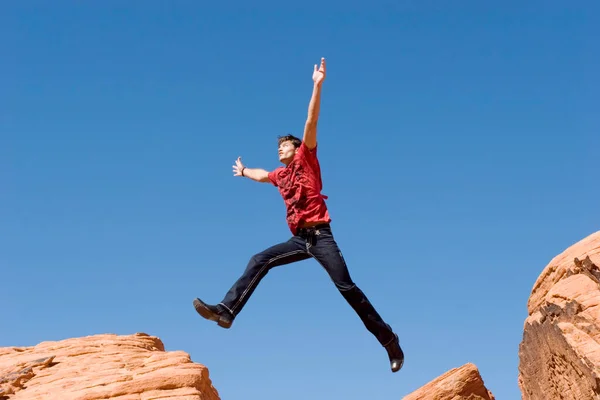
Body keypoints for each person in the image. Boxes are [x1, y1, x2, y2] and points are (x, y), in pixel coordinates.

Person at [193, 57, 404, 373]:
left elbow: (311, 120)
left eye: (284, 145)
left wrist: (317, 85)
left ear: (296, 147)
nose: (280, 149)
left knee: (346, 288)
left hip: (321, 237)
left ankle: (389, 340)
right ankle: (226, 310)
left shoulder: (306, 158)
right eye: (278, 147)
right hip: (299, 240)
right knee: (259, 259)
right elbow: (264, 175)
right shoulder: (281, 174)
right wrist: (244, 170)